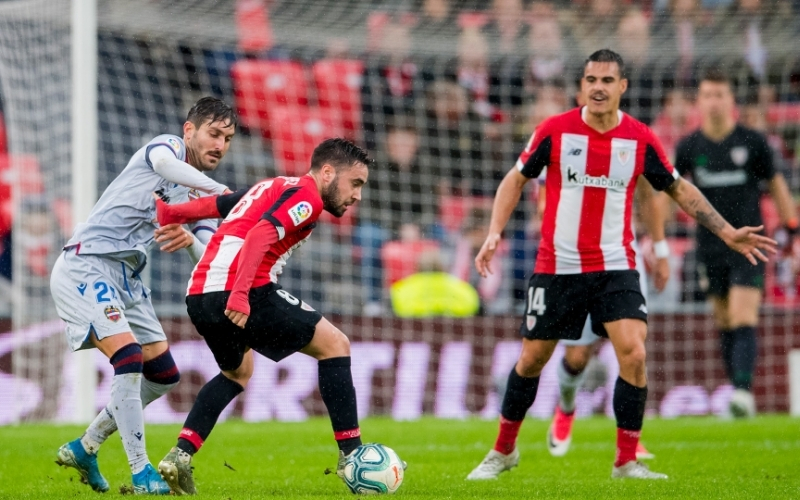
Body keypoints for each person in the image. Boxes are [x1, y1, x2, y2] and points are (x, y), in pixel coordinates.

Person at [466, 49, 776, 481]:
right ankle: (503, 450)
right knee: (533, 359)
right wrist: (494, 232)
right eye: (591, 79)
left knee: (633, 351)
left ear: (622, 87)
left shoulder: (639, 138)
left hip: (616, 264)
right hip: (558, 265)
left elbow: (676, 189)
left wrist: (725, 231)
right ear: (581, 86)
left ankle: (626, 461)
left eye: (607, 80)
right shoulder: (554, 132)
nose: (598, 87)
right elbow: (515, 179)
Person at [153, 138, 378, 496]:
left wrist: (171, 214)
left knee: (236, 373)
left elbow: (222, 204)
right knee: (336, 345)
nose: (357, 196)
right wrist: (241, 296)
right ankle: (353, 456)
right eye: (356, 183)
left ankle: (180, 455)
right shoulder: (308, 199)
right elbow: (259, 234)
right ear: (328, 172)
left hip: (199, 294)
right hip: (240, 291)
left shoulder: (270, 186)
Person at [50, 97, 236, 494]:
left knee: (164, 374)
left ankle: (86, 447)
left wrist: (188, 239)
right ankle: (141, 472)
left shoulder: (199, 202)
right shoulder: (167, 146)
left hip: (127, 279)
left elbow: (207, 258)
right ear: (190, 131)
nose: (220, 144)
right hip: (88, 263)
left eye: (228, 138)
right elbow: (166, 167)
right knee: (129, 357)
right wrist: (223, 192)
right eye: (214, 134)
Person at [674, 68, 798, 417]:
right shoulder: (689, 146)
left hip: (751, 243)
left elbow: (776, 184)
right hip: (709, 246)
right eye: (708, 95)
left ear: (732, 102)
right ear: (699, 102)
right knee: (725, 320)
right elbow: (670, 188)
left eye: (720, 95)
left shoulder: (753, 142)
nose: (714, 102)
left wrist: (792, 228)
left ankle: (743, 392)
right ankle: (737, 394)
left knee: (744, 315)